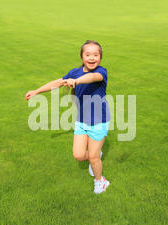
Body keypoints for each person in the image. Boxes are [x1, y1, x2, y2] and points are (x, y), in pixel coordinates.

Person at [25, 40, 110, 194]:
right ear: (82, 56)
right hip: (82, 121)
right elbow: (58, 82)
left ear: (100, 57)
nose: (92, 58)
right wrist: (36, 91)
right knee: (78, 155)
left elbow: (92, 78)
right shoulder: (74, 72)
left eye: (95, 55)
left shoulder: (101, 72)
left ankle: (100, 181)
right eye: (88, 54)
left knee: (93, 157)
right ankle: (96, 155)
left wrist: (76, 81)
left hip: (99, 121)